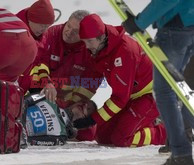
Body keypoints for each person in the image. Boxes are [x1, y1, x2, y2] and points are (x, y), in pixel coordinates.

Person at [73, 14, 166, 147]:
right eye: (84, 41)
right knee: (102, 136)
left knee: (121, 139)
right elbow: (93, 75)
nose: (86, 46)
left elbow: (119, 98)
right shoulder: (99, 48)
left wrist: (92, 119)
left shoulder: (125, 53)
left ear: (101, 37)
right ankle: (145, 121)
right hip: (131, 95)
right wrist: (77, 100)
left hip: (152, 95)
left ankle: (166, 133)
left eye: (89, 42)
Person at [122, 0, 194, 164]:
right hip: (189, 26)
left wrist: (140, 22)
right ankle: (181, 148)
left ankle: (181, 153)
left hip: (175, 27)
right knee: (182, 90)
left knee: (165, 92)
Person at [19, 10, 103, 141]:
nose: (69, 32)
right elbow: (37, 62)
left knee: (88, 135)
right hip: (38, 92)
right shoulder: (51, 34)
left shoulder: (89, 50)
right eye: (68, 26)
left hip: (67, 105)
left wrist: (71, 111)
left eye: (75, 31)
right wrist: (46, 82)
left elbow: (90, 84)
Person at [22, 94, 97, 146]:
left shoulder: (61, 136)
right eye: (84, 102)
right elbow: (23, 102)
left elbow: (31, 141)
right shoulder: (48, 98)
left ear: (85, 119)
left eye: (88, 109)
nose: (85, 105)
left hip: (16, 133)